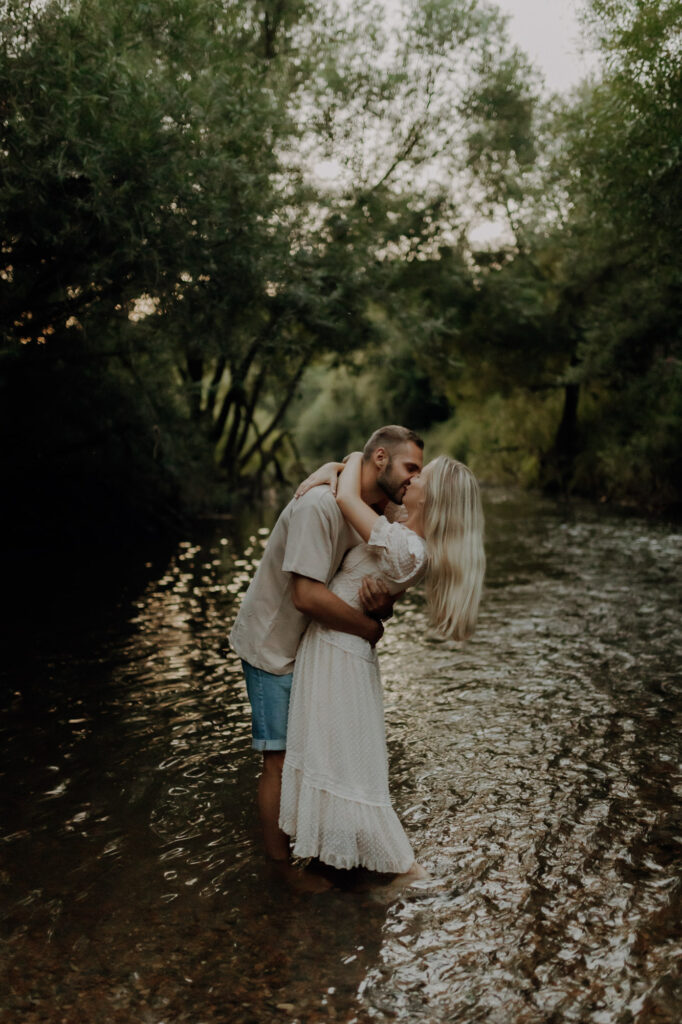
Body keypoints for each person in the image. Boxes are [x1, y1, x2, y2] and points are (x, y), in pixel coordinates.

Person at [279, 450, 485, 881]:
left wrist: (351, 457)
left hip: (340, 650)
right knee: (335, 757)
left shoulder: (408, 547)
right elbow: (365, 488)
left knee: (345, 763)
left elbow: (348, 499)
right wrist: (329, 468)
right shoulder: (405, 531)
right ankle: (336, 860)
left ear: (435, 498)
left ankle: (405, 871)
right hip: (335, 646)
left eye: (419, 476)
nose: (409, 480)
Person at [229, 426, 424, 865]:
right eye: (410, 467)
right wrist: (370, 630)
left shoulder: (383, 514)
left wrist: (381, 610)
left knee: (318, 754)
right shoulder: (320, 503)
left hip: (318, 649)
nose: (414, 479)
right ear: (379, 459)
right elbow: (306, 596)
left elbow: (378, 585)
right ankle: (283, 873)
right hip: (276, 646)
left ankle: (322, 847)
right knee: (279, 761)